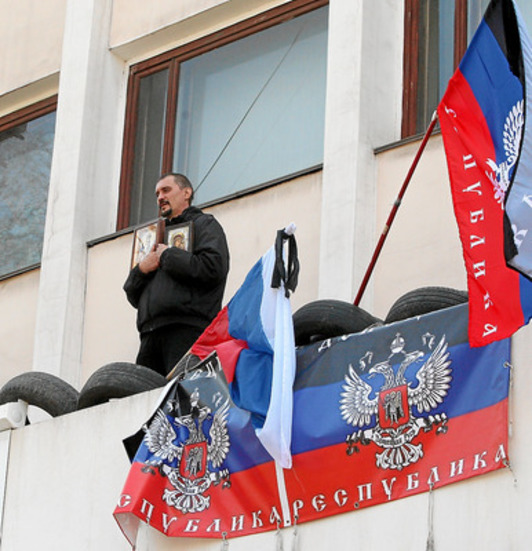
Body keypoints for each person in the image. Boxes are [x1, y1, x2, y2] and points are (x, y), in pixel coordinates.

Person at [124, 173, 230, 377]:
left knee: (184, 392)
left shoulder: (204, 224)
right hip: (149, 336)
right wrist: (142, 269)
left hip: (187, 331)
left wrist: (167, 255)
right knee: (147, 395)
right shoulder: (153, 235)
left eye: (166, 190)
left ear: (186, 193)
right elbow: (132, 294)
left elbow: (213, 267)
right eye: (157, 194)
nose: (160, 197)